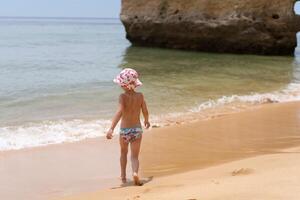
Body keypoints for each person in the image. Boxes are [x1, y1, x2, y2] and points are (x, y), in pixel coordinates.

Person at [106, 68, 150, 186]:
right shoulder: (140, 96)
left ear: (123, 85)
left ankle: (123, 176)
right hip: (137, 130)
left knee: (123, 153)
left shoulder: (122, 97)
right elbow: (145, 111)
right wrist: (146, 120)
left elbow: (120, 112)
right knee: (135, 156)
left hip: (125, 131)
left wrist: (111, 128)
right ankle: (135, 172)